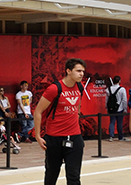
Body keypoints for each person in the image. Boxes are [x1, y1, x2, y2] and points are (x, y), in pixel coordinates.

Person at [34, 57, 87, 185]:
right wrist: (37, 136)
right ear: (68, 71)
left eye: (83, 71)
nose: (82, 74)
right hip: (54, 138)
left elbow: (77, 108)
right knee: (51, 175)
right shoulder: (54, 89)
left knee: (74, 177)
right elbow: (38, 111)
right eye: (78, 71)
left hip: (74, 137)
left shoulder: (80, 87)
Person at [107, 76, 129, 141]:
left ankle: (111, 136)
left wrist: (107, 107)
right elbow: (124, 99)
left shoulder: (108, 89)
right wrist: (125, 108)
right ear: (119, 81)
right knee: (119, 123)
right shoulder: (122, 89)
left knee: (112, 122)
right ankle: (120, 137)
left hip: (111, 108)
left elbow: (107, 99)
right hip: (120, 108)